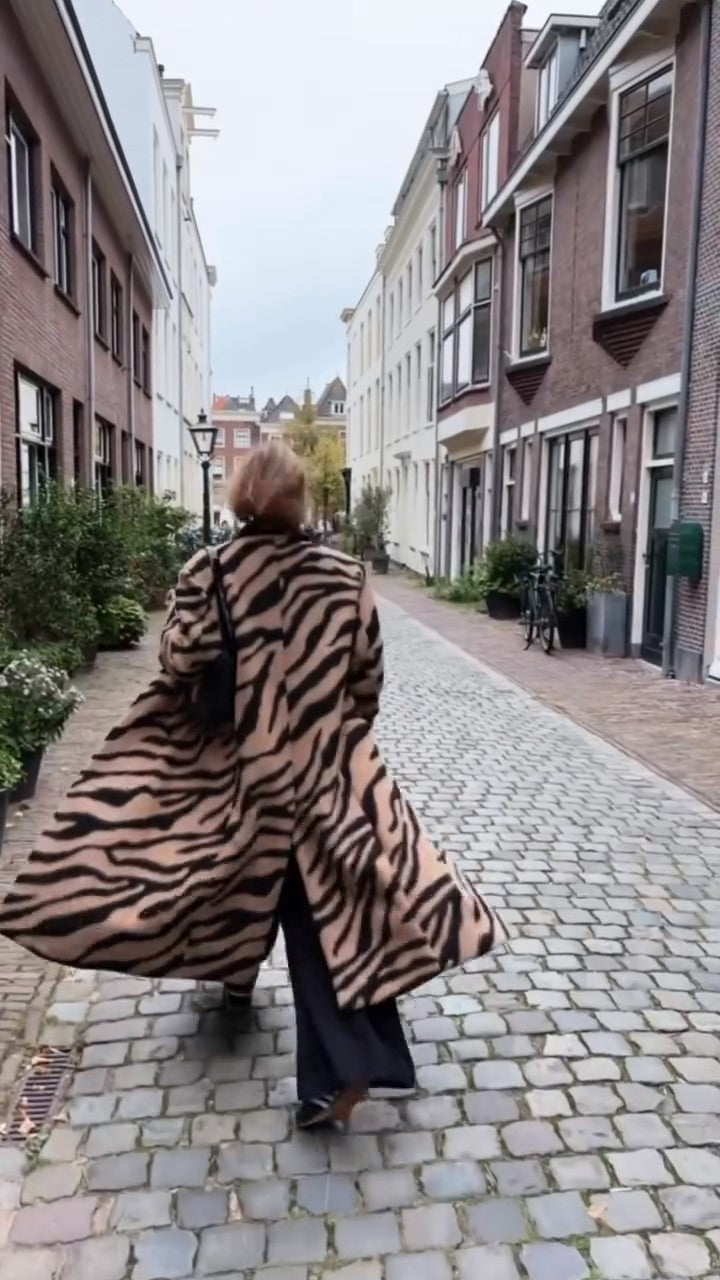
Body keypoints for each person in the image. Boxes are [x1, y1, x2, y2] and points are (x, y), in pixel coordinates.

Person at [0, 442, 506, 1130]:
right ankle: (340, 1045)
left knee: (252, 891)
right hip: (329, 768)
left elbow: (180, 660)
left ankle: (338, 1073)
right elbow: (366, 682)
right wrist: (337, 735)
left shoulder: (211, 570)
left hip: (248, 774)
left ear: (241, 497)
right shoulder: (345, 575)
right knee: (335, 905)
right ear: (299, 499)